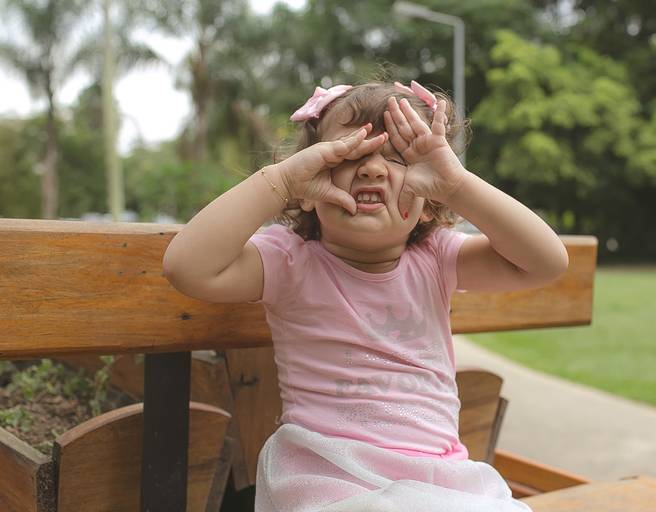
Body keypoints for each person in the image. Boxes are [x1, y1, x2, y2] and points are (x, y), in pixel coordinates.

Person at [163, 80, 569, 511]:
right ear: (310, 184)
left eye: (398, 158)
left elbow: (546, 262)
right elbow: (186, 267)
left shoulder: (435, 258)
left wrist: (457, 185)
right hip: (329, 477)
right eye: (349, 153)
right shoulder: (290, 261)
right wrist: (281, 181)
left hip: (438, 479)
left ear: (429, 202)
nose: (373, 169)